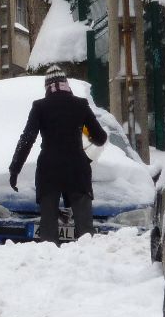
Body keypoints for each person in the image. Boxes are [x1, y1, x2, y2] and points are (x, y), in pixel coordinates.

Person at [7, 66, 108, 243]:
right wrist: (85, 152)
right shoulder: (80, 105)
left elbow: (27, 139)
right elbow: (100, 137)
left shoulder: (40, 107)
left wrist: (15, 169)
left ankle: (48, 260)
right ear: (66, 84)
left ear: (47, 86)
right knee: (85, 228)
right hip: (77, 169)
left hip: (49, 170)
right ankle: (89, 259)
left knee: (47, 229)